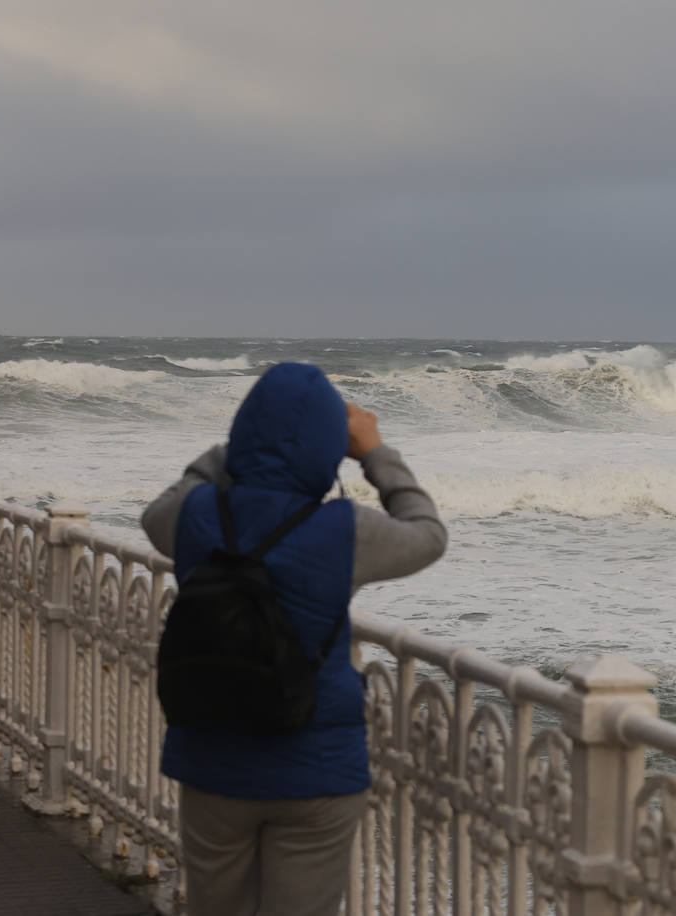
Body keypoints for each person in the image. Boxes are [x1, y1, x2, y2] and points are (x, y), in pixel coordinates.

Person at [141, 362, 447, 916]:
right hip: (317, 766)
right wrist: (375, 451)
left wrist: (236, 449)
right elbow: (427, 534)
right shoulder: (344, 529)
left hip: (212, 758)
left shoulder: (194, 517)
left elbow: (162, 506)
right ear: (329, 446)